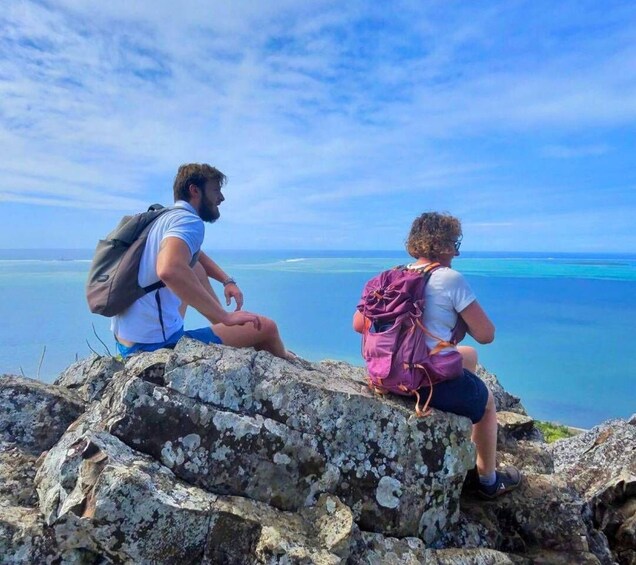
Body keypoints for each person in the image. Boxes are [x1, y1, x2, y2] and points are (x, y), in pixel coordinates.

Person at [352, 212, 521, 499]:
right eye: (454, 244)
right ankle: (488, 481)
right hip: (423, 382)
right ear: (443, 245)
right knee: (487, 404)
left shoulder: (391, 276)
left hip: (386, 375)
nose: (456, 252)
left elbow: (359, 324)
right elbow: (486, 334)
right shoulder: (450, 279)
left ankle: (462, 432)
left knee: (468, 356)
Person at [112, 163, 292, 360]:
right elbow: (169, 270)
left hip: (126, 339)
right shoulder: (189, 221)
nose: (221, 198)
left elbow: (195, 254)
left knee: (195, 267)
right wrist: (226, 316)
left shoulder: (163, 217)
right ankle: (285, 358)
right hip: (153, 345)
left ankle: (221, 325)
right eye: (216, 190)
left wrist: (226, 280)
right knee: (267, 327)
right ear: (195, 190)